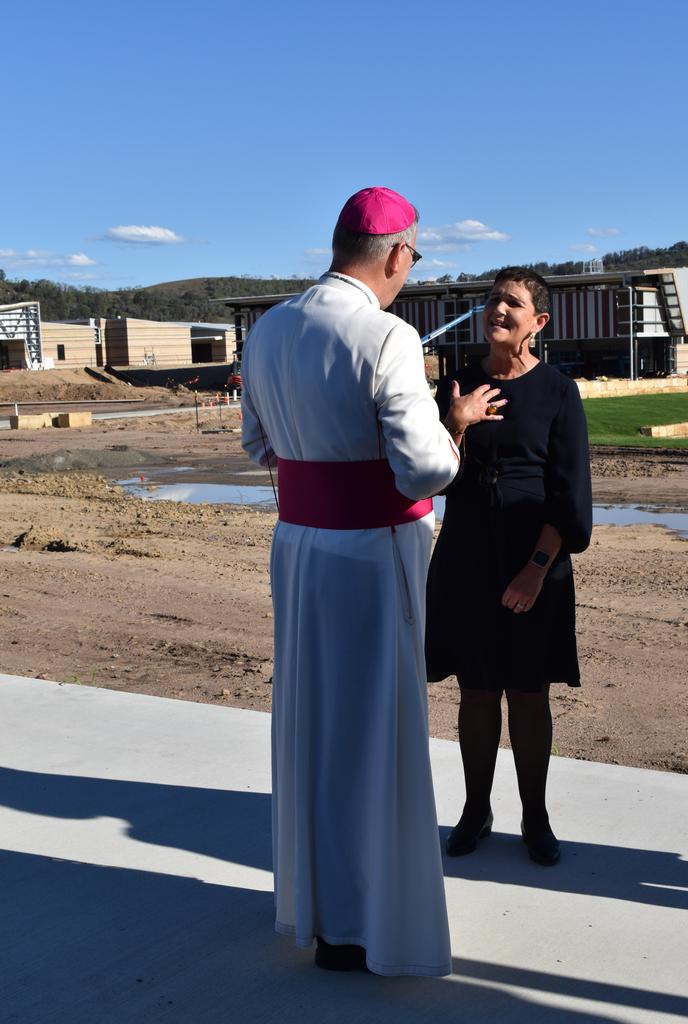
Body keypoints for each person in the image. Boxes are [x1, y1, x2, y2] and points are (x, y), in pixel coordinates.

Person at [240, 188, 488, 976]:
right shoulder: (387, 336)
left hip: (299, 548)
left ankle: (317, 908)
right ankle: (374, 920)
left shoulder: (269, 328)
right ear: (394, 255)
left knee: (313, 725)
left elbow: (257, 446)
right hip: (373, 554)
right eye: (411, 262)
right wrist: (456, 431)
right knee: (377, 734)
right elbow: (424, 469)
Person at [425, 267, 592, 866]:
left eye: (513, 303)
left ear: (537, 322)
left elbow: (569, 495)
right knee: (476, 691)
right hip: (467, 556)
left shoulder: (557, 392)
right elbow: (428, 469)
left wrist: (536, 568)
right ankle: (476, 810)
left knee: (527, 692)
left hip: (534, 560)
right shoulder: (457, 384)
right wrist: (456, 421)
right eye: (493, 299)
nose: (498, 309)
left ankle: (536, 815)